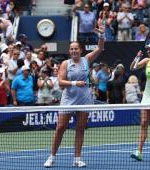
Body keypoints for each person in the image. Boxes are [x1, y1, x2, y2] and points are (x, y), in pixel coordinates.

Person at [44, 25, 105, 168]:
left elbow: (100, 48)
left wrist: (102, 36)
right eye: (71, 49)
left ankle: (77, 159)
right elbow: (60, 82)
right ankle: (52, 157)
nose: (73, 51)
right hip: (68, 99)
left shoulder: (86, 60)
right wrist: (74, 83)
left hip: (84, 100)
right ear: (69, 51)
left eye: (76, 48)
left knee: (80, 128)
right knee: (60, 127)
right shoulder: (66, 63)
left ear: (80, 50)